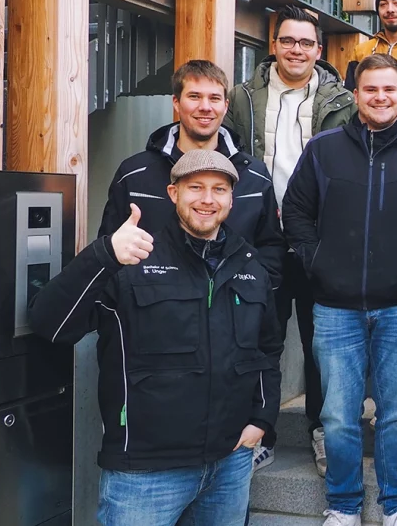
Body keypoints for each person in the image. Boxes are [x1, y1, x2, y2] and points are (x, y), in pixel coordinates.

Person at [29, 149, 283, 526]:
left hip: (229, 465)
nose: (207, 199)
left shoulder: (248, 265)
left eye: (219, 189)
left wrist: (262, 418)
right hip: (145, 473)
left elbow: (266, 350)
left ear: (232, 198)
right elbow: (50, 323)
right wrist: (103, 255)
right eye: (195, 187)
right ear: (172, 193)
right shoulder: (132, 258)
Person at [281, 53, 397, 526]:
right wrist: (316, 261)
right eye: (370, 89)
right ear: (355, 94)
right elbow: (295, 212)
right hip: (335, 307)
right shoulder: (323, 150)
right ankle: (343, 505)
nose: (379, 97)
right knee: (338, 415)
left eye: (389, 90)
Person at [223, 5, 357, 476]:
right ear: (273, 45)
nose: (296, 49)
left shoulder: (343, 101)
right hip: (260, 237)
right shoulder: (241, 98)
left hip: (319, 237)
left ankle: (323, 431)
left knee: (324, 340)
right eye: (288, 41)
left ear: (318, 50)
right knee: (263, 336)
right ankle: (262, 432)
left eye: (305, 43)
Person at [98, 60, 286, 289]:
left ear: (226, 106)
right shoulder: (134, 174)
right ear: (176, 102)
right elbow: (108, 247)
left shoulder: (255, 176)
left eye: (214, 98)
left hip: (233, 313)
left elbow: (271, 248)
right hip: (150, 312)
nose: (205, 107)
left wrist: (255, 294)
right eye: (194, 96)